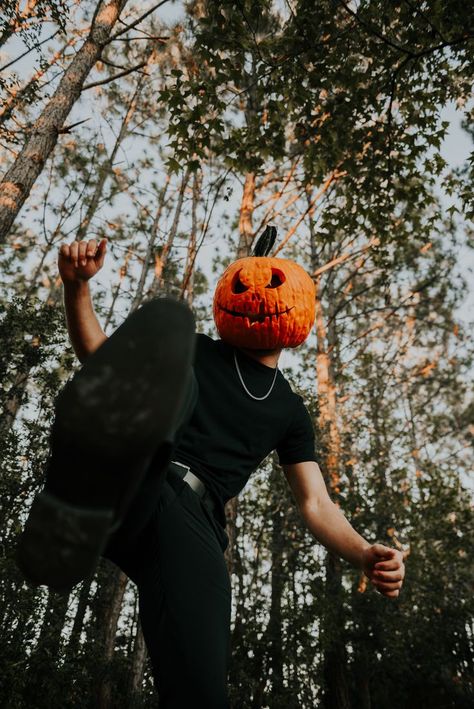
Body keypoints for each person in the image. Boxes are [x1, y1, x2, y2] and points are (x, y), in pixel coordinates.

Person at [17, 236, 405, 708]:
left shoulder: (289, 411)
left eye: (274, 286)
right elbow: (100, 357)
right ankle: (92, 486)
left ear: (300, 311)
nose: (256, 294)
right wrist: (76, 287)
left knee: (200, 687)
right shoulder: (198, 351)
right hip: (140, 478)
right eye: (242, 284)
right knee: (169, 366)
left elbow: (316, 503)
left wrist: (364, 552)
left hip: (191, 524)